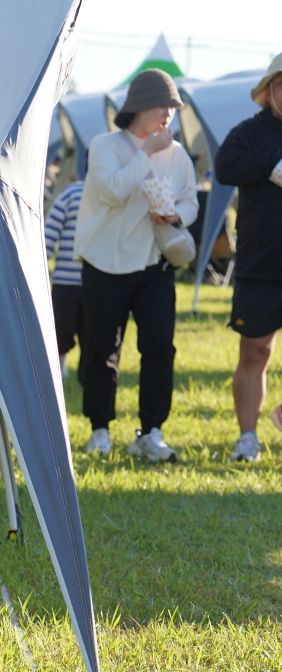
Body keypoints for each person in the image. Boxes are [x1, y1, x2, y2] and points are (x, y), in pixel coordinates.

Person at [73, 69, 197, 461]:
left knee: (160, 347)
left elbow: (192, 202)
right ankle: (99, 430)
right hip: (105, 263)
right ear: (141, 107)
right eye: (165, 106)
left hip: (155, 265)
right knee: (101, 350)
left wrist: (175, 215)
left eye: (174, 109)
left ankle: (151, 431)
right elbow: (112, 191)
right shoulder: (106, 145)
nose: (169, 116)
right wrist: (147, 153)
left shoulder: (178, 155)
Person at [215, 53, 282, 462]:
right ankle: (247, 437)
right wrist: (270, 166)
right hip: (261, 261)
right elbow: (224, 167)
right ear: (269, 89)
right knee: (254, 351)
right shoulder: (249, 133)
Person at [43, 174, 84, 374]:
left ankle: (86, 374)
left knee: (92, 336)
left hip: (100, 281)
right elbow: (49, 233)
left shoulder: (116, 196)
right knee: (60, 331)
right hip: (66, 280)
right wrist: (42, 265)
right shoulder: (72, 194)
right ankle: (58, 366)